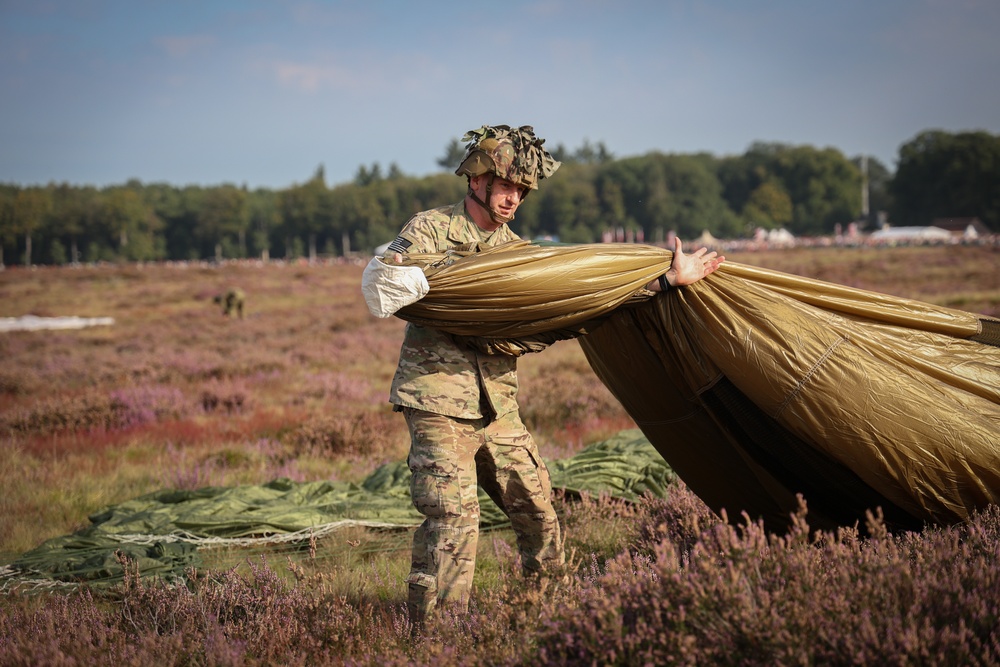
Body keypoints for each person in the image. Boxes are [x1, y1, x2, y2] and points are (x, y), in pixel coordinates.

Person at [380, 124, 724, 626]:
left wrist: (664, 280)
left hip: (498, 408)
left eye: (521, 190)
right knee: (453, 521)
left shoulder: (521, 255)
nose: (513, 198)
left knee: (539, 513)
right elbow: (389, 280)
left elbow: (575, 301)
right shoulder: (430, 229)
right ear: (476, 180)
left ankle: (546, 622)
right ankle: (438, 638)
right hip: (438, 403)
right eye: (506, 186)